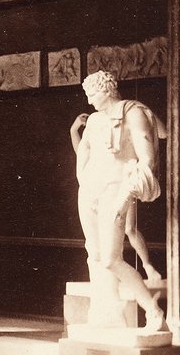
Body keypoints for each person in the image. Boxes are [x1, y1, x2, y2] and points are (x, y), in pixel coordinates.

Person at [73, 70, 166, 330]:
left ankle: (154, 312)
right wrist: (84, 182)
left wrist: (125, 197)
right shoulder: (93, 120)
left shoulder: (133, 113)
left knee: (111, 259)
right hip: (90, 192)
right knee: (94, 254)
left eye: (92, 94)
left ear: (108, 90)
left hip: (115, 190)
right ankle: (107, 313)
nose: (90, 101)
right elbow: (84, 151)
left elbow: (148, 162)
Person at [71, 107, 161, 283]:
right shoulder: (91, 159)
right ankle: (117, 277)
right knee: (104, 242)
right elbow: (80, 149)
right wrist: (74, 129)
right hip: (101, 197)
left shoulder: (113, 149)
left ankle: (148, 266)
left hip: (122, 190)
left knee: (130, 229)